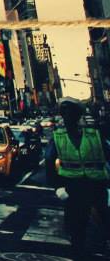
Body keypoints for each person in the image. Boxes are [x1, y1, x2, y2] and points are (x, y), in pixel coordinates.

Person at [45, 97, 110, 258]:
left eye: (71, 113)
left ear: (78, 115)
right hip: (73, 187)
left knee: (104, 222)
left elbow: (108, 155)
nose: (68, 117)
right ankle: (78, 253)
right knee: (76, 228)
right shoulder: (58, 137)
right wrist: (58, 187)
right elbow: (49, 161)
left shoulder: (95, 134)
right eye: (65, 113)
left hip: (97, 185)